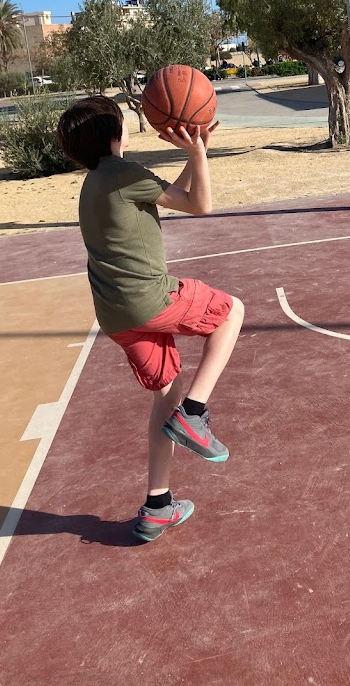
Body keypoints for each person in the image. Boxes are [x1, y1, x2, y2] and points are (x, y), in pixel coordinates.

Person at [57, 96, 244, 543]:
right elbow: (200, 205)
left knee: (166, 400)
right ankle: (195, 414)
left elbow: (172, 195)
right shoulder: (125, 174)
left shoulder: (98, 181)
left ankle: (158, 504)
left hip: (116, 315)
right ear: (115, 134)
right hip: (149, 300)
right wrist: (198, 153)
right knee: (231, 312)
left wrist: (195, 155)